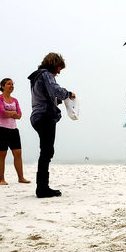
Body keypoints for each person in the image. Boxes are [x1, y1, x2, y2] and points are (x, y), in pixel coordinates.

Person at [28, 53, 76, 198]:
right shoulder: (47, 74)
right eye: (59, 68)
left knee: (46, 151)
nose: (59, 72)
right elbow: (55, 90)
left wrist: (58, 101)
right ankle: (42, 188)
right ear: (53, 64)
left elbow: (46, 95)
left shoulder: (36, 76)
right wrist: (68, 94)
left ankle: (42, 187)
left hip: (37, 116)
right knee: (47, 152)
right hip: (45, 116)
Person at [0, 78, 31, 185]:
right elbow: (1, 113)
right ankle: (1, 179)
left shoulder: (15, 100)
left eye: (12, 84)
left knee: (18, 153)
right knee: (2, 154)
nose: (11, 86)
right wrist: (13, 112)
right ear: (2, 86)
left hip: (13, 130)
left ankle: (21, 177)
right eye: (9, 84)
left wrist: (11, 113)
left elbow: (19, 115)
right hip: (0, 130)